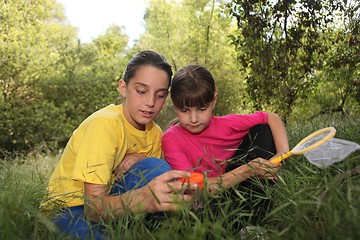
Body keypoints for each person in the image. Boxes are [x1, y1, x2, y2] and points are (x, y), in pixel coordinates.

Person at [43, 51, 198, 240]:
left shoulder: (156, 134)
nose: (150, 103)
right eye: (141, 91)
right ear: (123, 88)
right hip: (71, 208)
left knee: (155, 168)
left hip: (116, 205)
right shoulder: (103, 126)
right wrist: (143, 198)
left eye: (160, 95)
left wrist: (143, 159)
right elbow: (93, 209)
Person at [162, 64, 289, 225]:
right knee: (198, 208)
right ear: (174, 104)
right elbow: (197, 188)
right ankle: (239, 226)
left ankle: (255, 223)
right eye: (185, 110)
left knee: (262, 130)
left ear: (213, 101)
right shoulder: (171, 138)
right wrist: (249, 169)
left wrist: (282, 153)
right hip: (204, 204)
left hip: (238, 192)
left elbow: (271, 117)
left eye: (202, 109)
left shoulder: (226, 124)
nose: (193, 119)